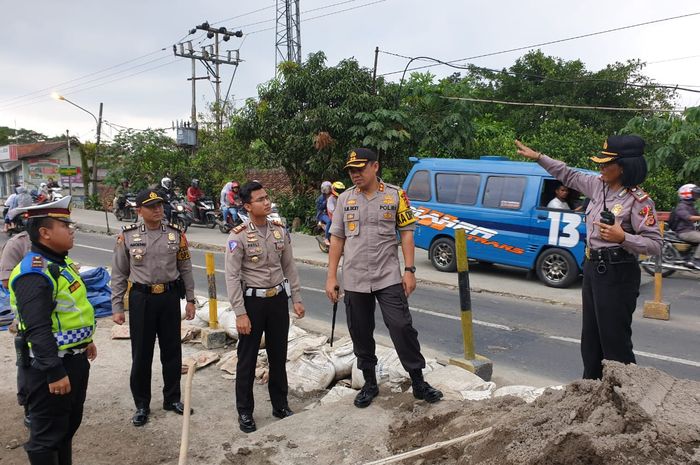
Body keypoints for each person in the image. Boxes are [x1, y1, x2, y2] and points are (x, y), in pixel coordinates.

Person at [515, 136, 662, 379]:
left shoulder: (639, 202)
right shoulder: (598, 186)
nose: (600, 168)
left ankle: (623, 396)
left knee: (615, 341)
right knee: (591, 339)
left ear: (624, 167)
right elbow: (568, 174)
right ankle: (590, 389)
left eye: (606, 164)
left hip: (618, 271)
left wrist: (622, 236)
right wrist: (539, 157)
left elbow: (655, 244)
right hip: (593, 267)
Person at [326, 148, 443, 408]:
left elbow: (407, 234)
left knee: (401, 326)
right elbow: (337, 239)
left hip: (388, 275)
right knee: (360, 332)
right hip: (355, 278)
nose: (355, 174)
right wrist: (331, 275)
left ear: (375, 167)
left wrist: (410, 270)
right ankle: (369, 383)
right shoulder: (345, 199)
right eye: (351, 171)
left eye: (360, 168)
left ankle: (419, 382)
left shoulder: (396, 195)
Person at [8, 196, 97, 464]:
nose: (72, 230)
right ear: (45, 233)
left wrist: (85, 341)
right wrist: (54, 371)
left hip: (73, 359)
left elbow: (71, 311)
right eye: (64, 225)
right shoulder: (34, 273)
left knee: (65, 430)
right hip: (50, 369)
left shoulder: (60, 264)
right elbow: (37, 327)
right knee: (46, 439)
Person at [111, 189, 196, 427]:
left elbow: (186, 267)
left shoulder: (176, 234)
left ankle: (172, 399)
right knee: (141, 354)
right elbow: (119, 273)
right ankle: (142, 405)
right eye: (151, 206)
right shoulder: (127, 236)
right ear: (139, 210)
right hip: (142, 299)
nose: (158, 209)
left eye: (160, 205)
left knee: (172, 351)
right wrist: (117, 305)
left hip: (169, 297)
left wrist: (190, 299)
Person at [224, 181, 305, 433]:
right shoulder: (237, 236)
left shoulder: (279, 230)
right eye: (260, 200)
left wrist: (297, 298)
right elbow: (232, 276)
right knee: (246, 359)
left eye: (267, 197)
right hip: (252, 303)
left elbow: (289, 266)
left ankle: (280, 405)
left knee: (278, 355)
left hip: (278, 300)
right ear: (248, 206)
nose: (266, 202)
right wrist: (240, 313)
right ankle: (245, 412)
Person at [1, 229, 32, 427]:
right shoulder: (17, 244)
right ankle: (29, 405)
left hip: (55, 320)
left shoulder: (58, 245)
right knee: (27, 362)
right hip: (28, 316)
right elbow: (5, 281)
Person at [673, 183, 700, 269]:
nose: (696, 196)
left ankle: (690, 257)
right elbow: (689, 217)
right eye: (694, 194)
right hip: (684, 232)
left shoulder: (691, 206)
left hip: (690, 231)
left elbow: (697, 217)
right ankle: (696, 260)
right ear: (686, 194)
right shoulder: (681, 206)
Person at [316, 181, 332, 246]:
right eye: (327, 188)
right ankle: (326, 238)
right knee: (329, 221)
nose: (328, 189)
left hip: (331, 213)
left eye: (329, 188)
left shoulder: (333, 195)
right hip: (322, 214)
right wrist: (326, 201)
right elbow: (319, 208)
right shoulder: (321, 198)